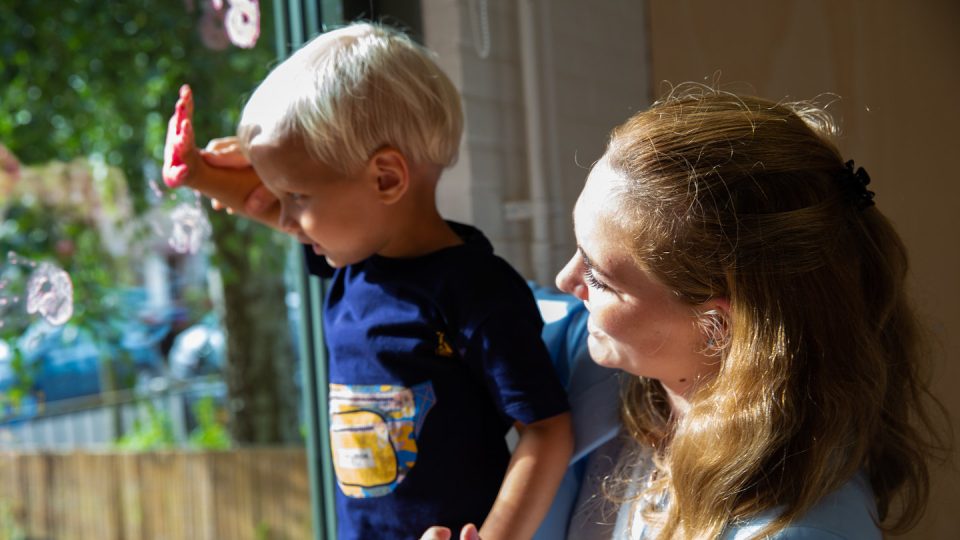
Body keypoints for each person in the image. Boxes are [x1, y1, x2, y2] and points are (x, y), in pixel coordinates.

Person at [162, 22, 573, 540]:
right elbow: (271, 203)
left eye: (297, 197)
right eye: (279, 195)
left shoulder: (475, 292)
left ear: (385, 178)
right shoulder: (353, 267)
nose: (284, 220)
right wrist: (197, 172)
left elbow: (547, 429)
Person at [541, 84, 947, 539]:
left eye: (598, 278)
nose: (565, 281)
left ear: (718, 328)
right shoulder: (608, 365)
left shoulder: (799, 530)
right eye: (578, 248)